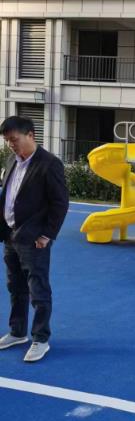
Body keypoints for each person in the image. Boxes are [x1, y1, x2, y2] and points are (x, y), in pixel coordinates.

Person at [0, 116, 69, 362]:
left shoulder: (49, 164)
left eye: (14, 139)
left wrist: (47, 235)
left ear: (30, 135)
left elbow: (60, 203)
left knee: (38, 289)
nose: (11, 145)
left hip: (34, 239)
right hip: (11, 236)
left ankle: (41, 338)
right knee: (15, 287)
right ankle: (18, 332)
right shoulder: (12, 160)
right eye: (7, 141)